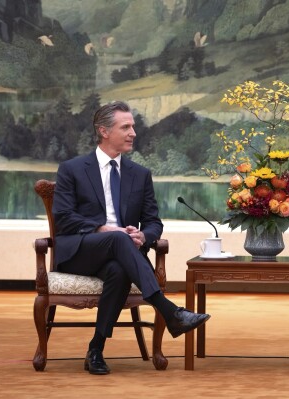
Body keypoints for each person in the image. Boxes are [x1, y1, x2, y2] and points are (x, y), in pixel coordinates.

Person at [53, 101, 210, 375]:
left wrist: (142, 235)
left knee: (119, 268)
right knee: (117, 239)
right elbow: (64, 218)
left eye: (133, 127)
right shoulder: (73, 169)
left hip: (120, 255)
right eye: (125, 127)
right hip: (80, 251)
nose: (133, 132)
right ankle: (169, 310)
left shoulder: (140, 174)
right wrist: (105, 229)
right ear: (103, 131)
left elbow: (153, 222)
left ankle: (96, 349)